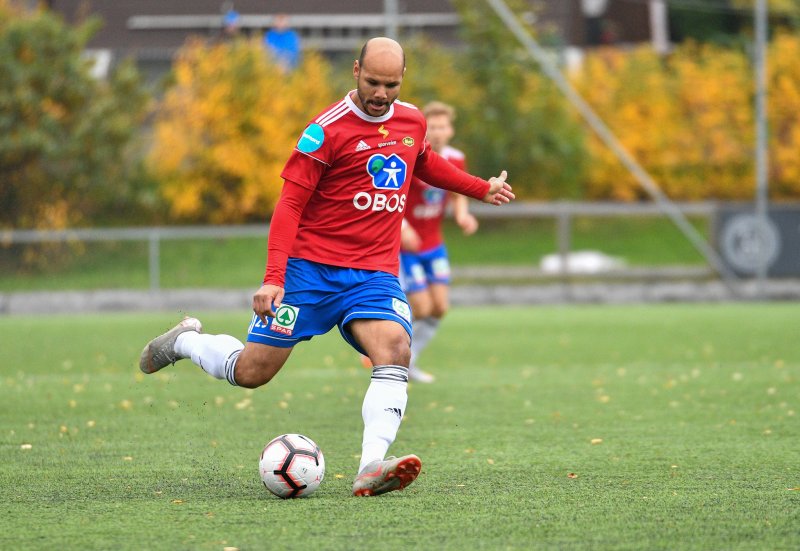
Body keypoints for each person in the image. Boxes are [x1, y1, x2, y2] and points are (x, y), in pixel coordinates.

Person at [139, 37, 514, 497]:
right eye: (373, 82)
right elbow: (289, 206)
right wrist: (273, 278)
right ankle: (187, 341)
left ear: (402, 80)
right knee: (253, 371)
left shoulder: (412, 120)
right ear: (356, 70)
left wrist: (480, 189)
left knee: (395, 349)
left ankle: (372, 465)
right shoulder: (325, 129)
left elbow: (425, 163)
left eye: (391, 85)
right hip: (309, 273)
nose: (381, 94)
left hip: (374, 274)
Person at [399, 101, 479, 383]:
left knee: (440, 307)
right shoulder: (413, 156)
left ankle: (410, 361)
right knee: (420, 307)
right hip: (408, 246)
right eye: (432, 126)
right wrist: (403, 227)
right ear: (424, 129)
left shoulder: (456, 158)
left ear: (451, 129)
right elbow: (393, 194)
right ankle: (389, 351)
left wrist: (462, 215)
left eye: (442, 126)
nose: (437, 131)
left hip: (434, 244)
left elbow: (458, 191)